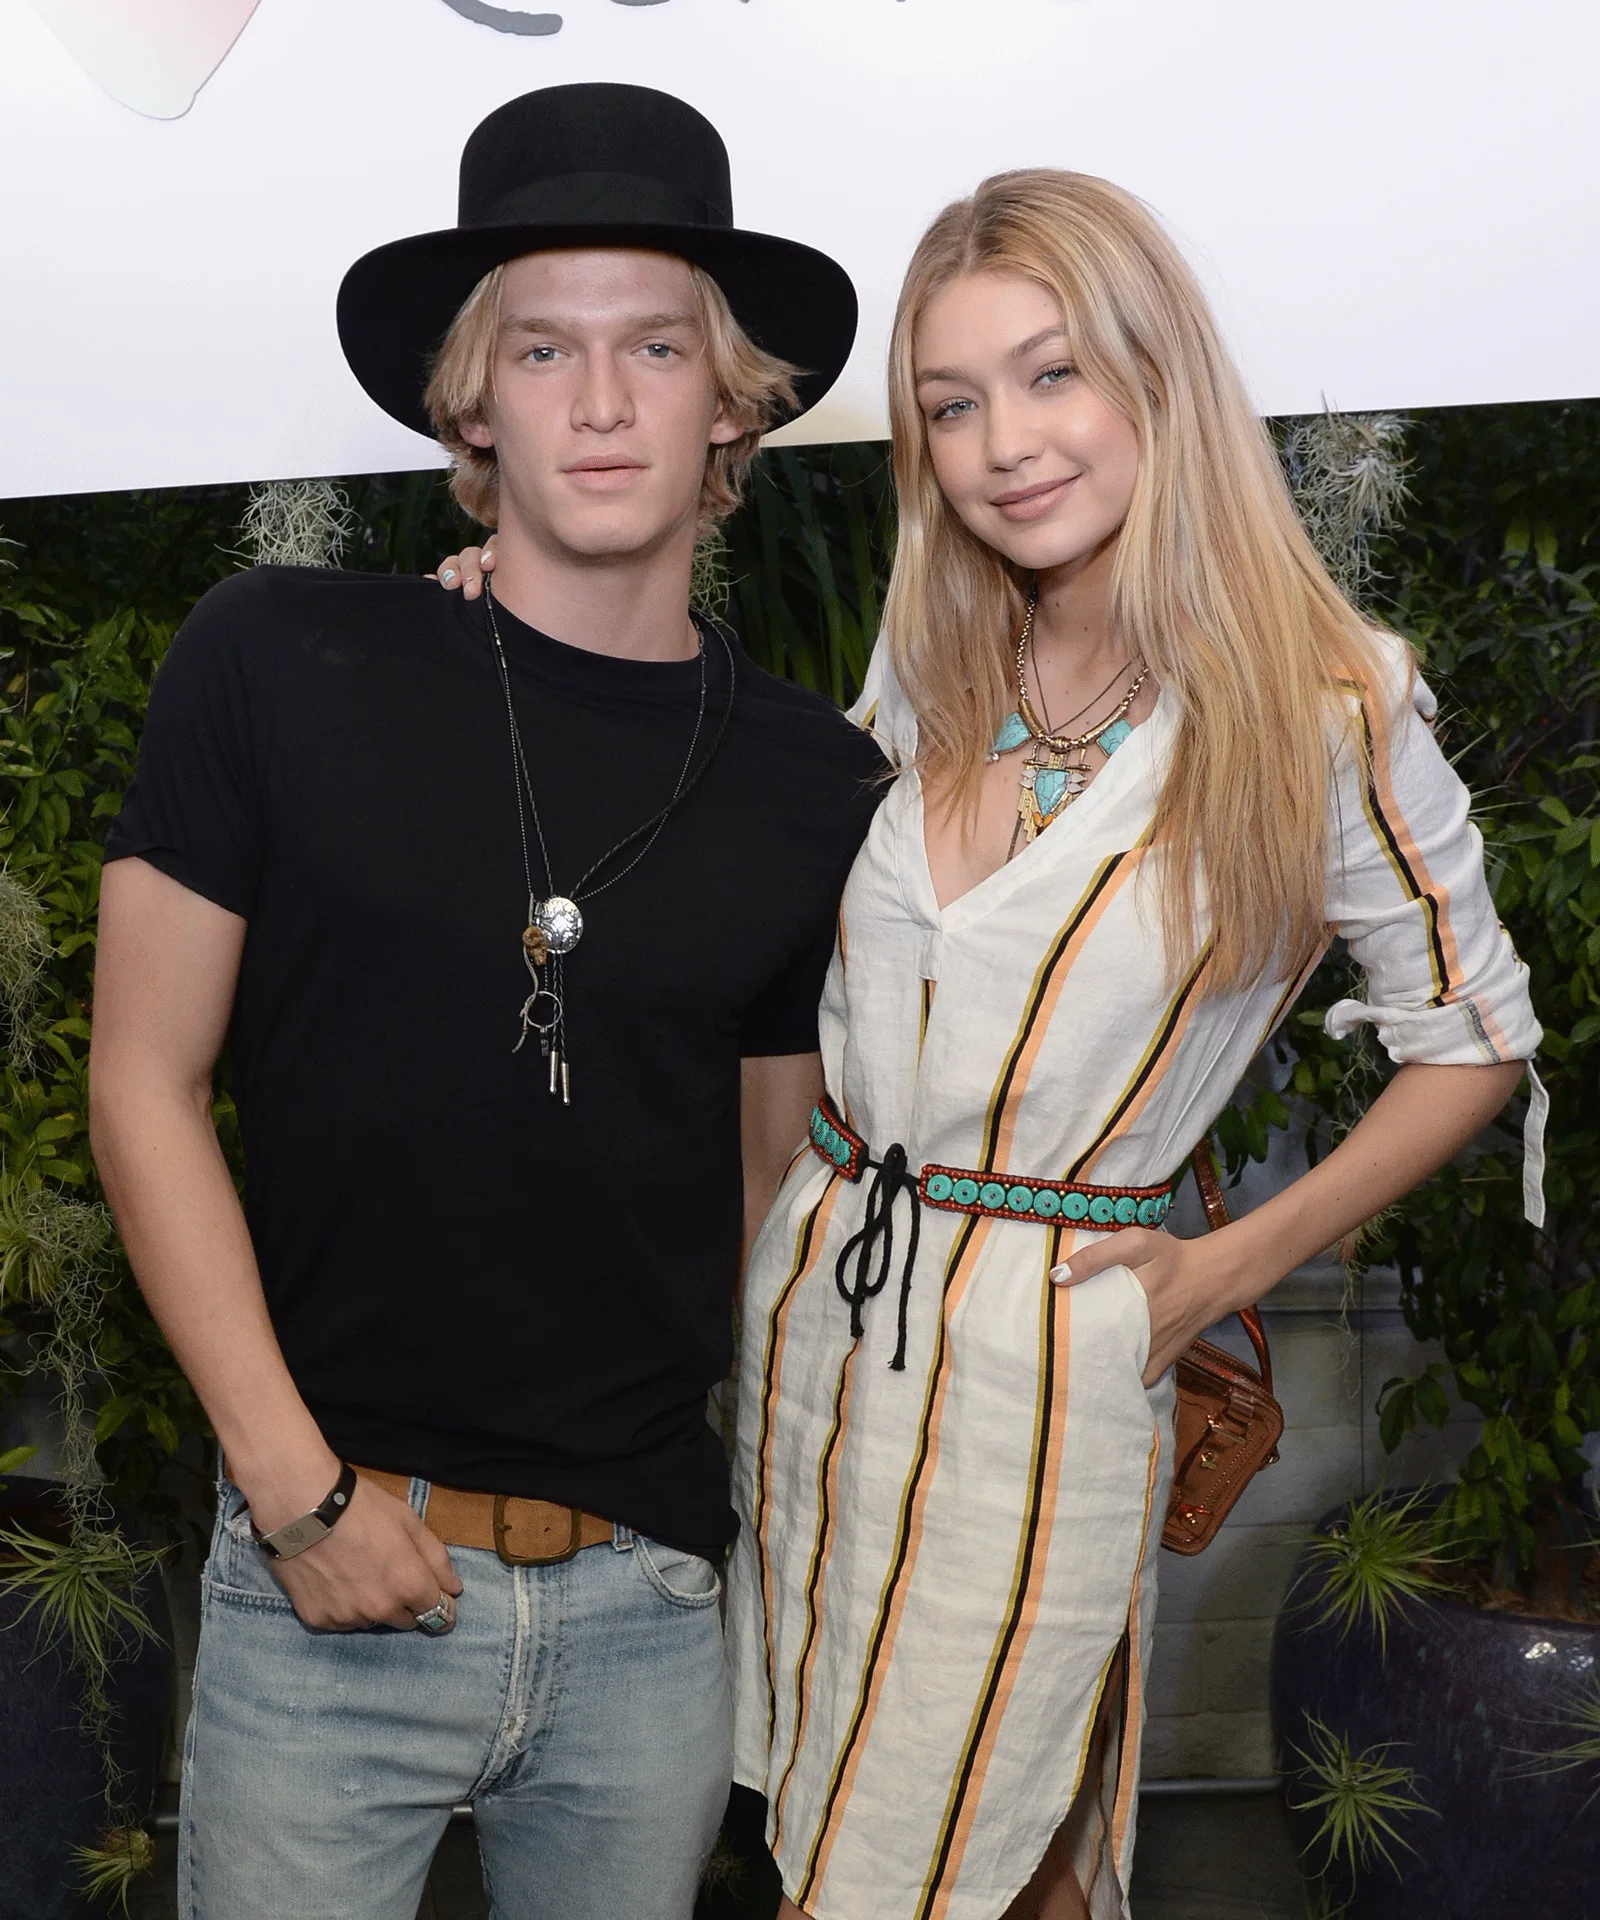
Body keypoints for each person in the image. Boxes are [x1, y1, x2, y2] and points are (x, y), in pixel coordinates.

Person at [443, 169, 1544, 1920]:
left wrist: (1220, 1267)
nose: (1003, 444)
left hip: (1045, 1364)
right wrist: (516, 636)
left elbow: (1478, 1039)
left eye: (1052, 377)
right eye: (951, 405)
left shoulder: (1329, 701)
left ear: (1157, 380)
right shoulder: (936, 660)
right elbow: (744, 881)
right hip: (814, 1327)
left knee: (975, 1853)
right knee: (814, 1830)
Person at [87, 84, 882, 1920]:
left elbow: (770, 1187)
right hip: (326, 1575)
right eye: (544, 347)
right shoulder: (280, 662)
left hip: (652, 1611)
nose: (601, 402)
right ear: (471, 401)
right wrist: (295, 1495)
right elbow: (141, 1084)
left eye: (656, 347)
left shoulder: (809, 782)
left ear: (736, 400)